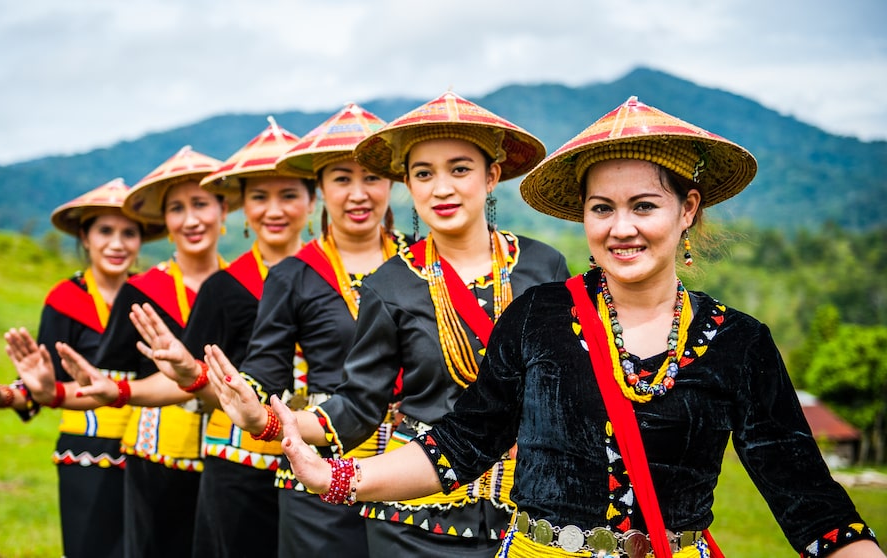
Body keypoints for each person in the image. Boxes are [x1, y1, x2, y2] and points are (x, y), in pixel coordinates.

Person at [265, 97, 884, 558]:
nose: (622, 228)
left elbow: (808, 498)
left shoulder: (737, 342)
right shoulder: (539, 317)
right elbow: (460, 445)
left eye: (644, 205)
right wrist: (341, 476)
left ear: (688, 209)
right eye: (601, 209)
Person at [209, 92, 571, 558]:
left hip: (526, 515)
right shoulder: (391, 284)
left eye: (459, 169)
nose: (441, 188)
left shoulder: (544, 267)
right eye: (423, 174)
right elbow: (359, 405)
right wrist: (269, 421)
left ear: (492, 176)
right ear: (408, 185)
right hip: (415, 518)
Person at [59, 116, 318, 557]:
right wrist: (118, 390)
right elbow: (185, 375)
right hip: (234, 464)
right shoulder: (224, 288)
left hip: (320, 459)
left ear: (312, 202)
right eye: (259, 196)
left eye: (289, 195)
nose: (274, 210)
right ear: (244, 208)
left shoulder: (336, 279)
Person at [11, 145, 229, 557]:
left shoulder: (241, 286)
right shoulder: (143, 292)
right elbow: (109, 380)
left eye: (201, 204)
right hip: (152, 459)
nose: (191, 218)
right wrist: (40, 393)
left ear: (224, 209)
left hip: (224, 454)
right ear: (165, 222)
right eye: (177, 208)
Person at [0, 177, 157, 558]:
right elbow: (38, 381)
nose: (117, 243)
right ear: (85, 236)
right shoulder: (66, 300)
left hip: (152, 453)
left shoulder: (152, 297)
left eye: (129, 232)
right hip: (87, 452)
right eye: (105, 231)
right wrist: (0, 395)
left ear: (141, 239)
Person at [244, 102, 406, 558]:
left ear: (392, 183)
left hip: (412, 461)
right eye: (341, 179)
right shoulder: (291, 275)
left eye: (371, 178)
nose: (358, 194)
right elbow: (264, 367)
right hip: (321, 456)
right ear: (320, 188)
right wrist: (244, 393)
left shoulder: (423, 263)